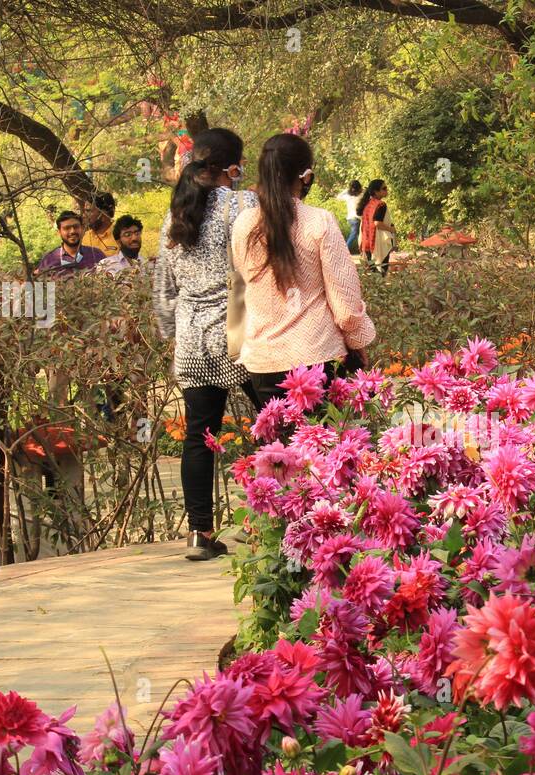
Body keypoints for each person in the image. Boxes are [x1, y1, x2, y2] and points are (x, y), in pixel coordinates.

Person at [153, 127, 260, 561]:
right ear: (233, 166)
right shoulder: (244, 203)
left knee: (199, 435)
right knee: (278, 423)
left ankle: (200, 534)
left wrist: (172, 333)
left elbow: (164, 289)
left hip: (191, 331)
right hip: (240, 319)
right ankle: (287, 521)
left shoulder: (174, 212)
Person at [233, 133, 375, 409]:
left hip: (263, 362)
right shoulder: (319, 221)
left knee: (279, 449)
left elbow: (240, 286)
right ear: (306, 176)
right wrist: (357, 343)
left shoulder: (244, 225)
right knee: (321, 445)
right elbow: (344, 303)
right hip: (316, 357)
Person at [36, 210, 107, 277]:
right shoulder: (48, 260)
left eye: (76, 227)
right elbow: (41, 289)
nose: (72, 231)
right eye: (67, 228)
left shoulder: (97, 255)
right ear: (59, 232)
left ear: (82, 229)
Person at [357, 179, 395, 275]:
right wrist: (391, 229)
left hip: (367, 244)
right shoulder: (381, 204)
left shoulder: (368, 204)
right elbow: (377, 223)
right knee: (381, 272)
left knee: (373, 273)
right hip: (378, 244)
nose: (387, 190)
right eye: (384, 188)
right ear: (376, 191)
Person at [83, 193, 120, 257]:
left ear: (104, 213)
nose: (84, 215)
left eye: (88, 211)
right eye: (85, 211)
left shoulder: (120, 236)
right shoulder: (85, 237)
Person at [336, 179, 362, 253]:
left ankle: (363, 252)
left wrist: (347, 190)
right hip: (356, 218)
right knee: (354, 234)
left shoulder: (348, 196)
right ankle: (344, 250)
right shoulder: (360, 196)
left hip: (350, 218)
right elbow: (365, 193)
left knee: (358, 235)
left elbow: (338, 197)